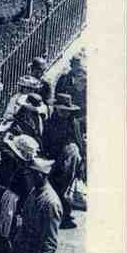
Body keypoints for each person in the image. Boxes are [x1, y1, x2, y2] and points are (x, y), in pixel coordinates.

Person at [43, 93, 84, 229]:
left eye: (67, 111)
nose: (65, 113)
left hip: (70, 160)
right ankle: (57, 216)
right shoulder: (49, 123)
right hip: (54, 159)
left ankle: (65, 215)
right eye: (62, 110)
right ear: (57, 109)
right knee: (55, 187)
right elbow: (46, 142)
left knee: (66, 188)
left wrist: (80, 162)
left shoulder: (74, 123)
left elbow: (79, 142)